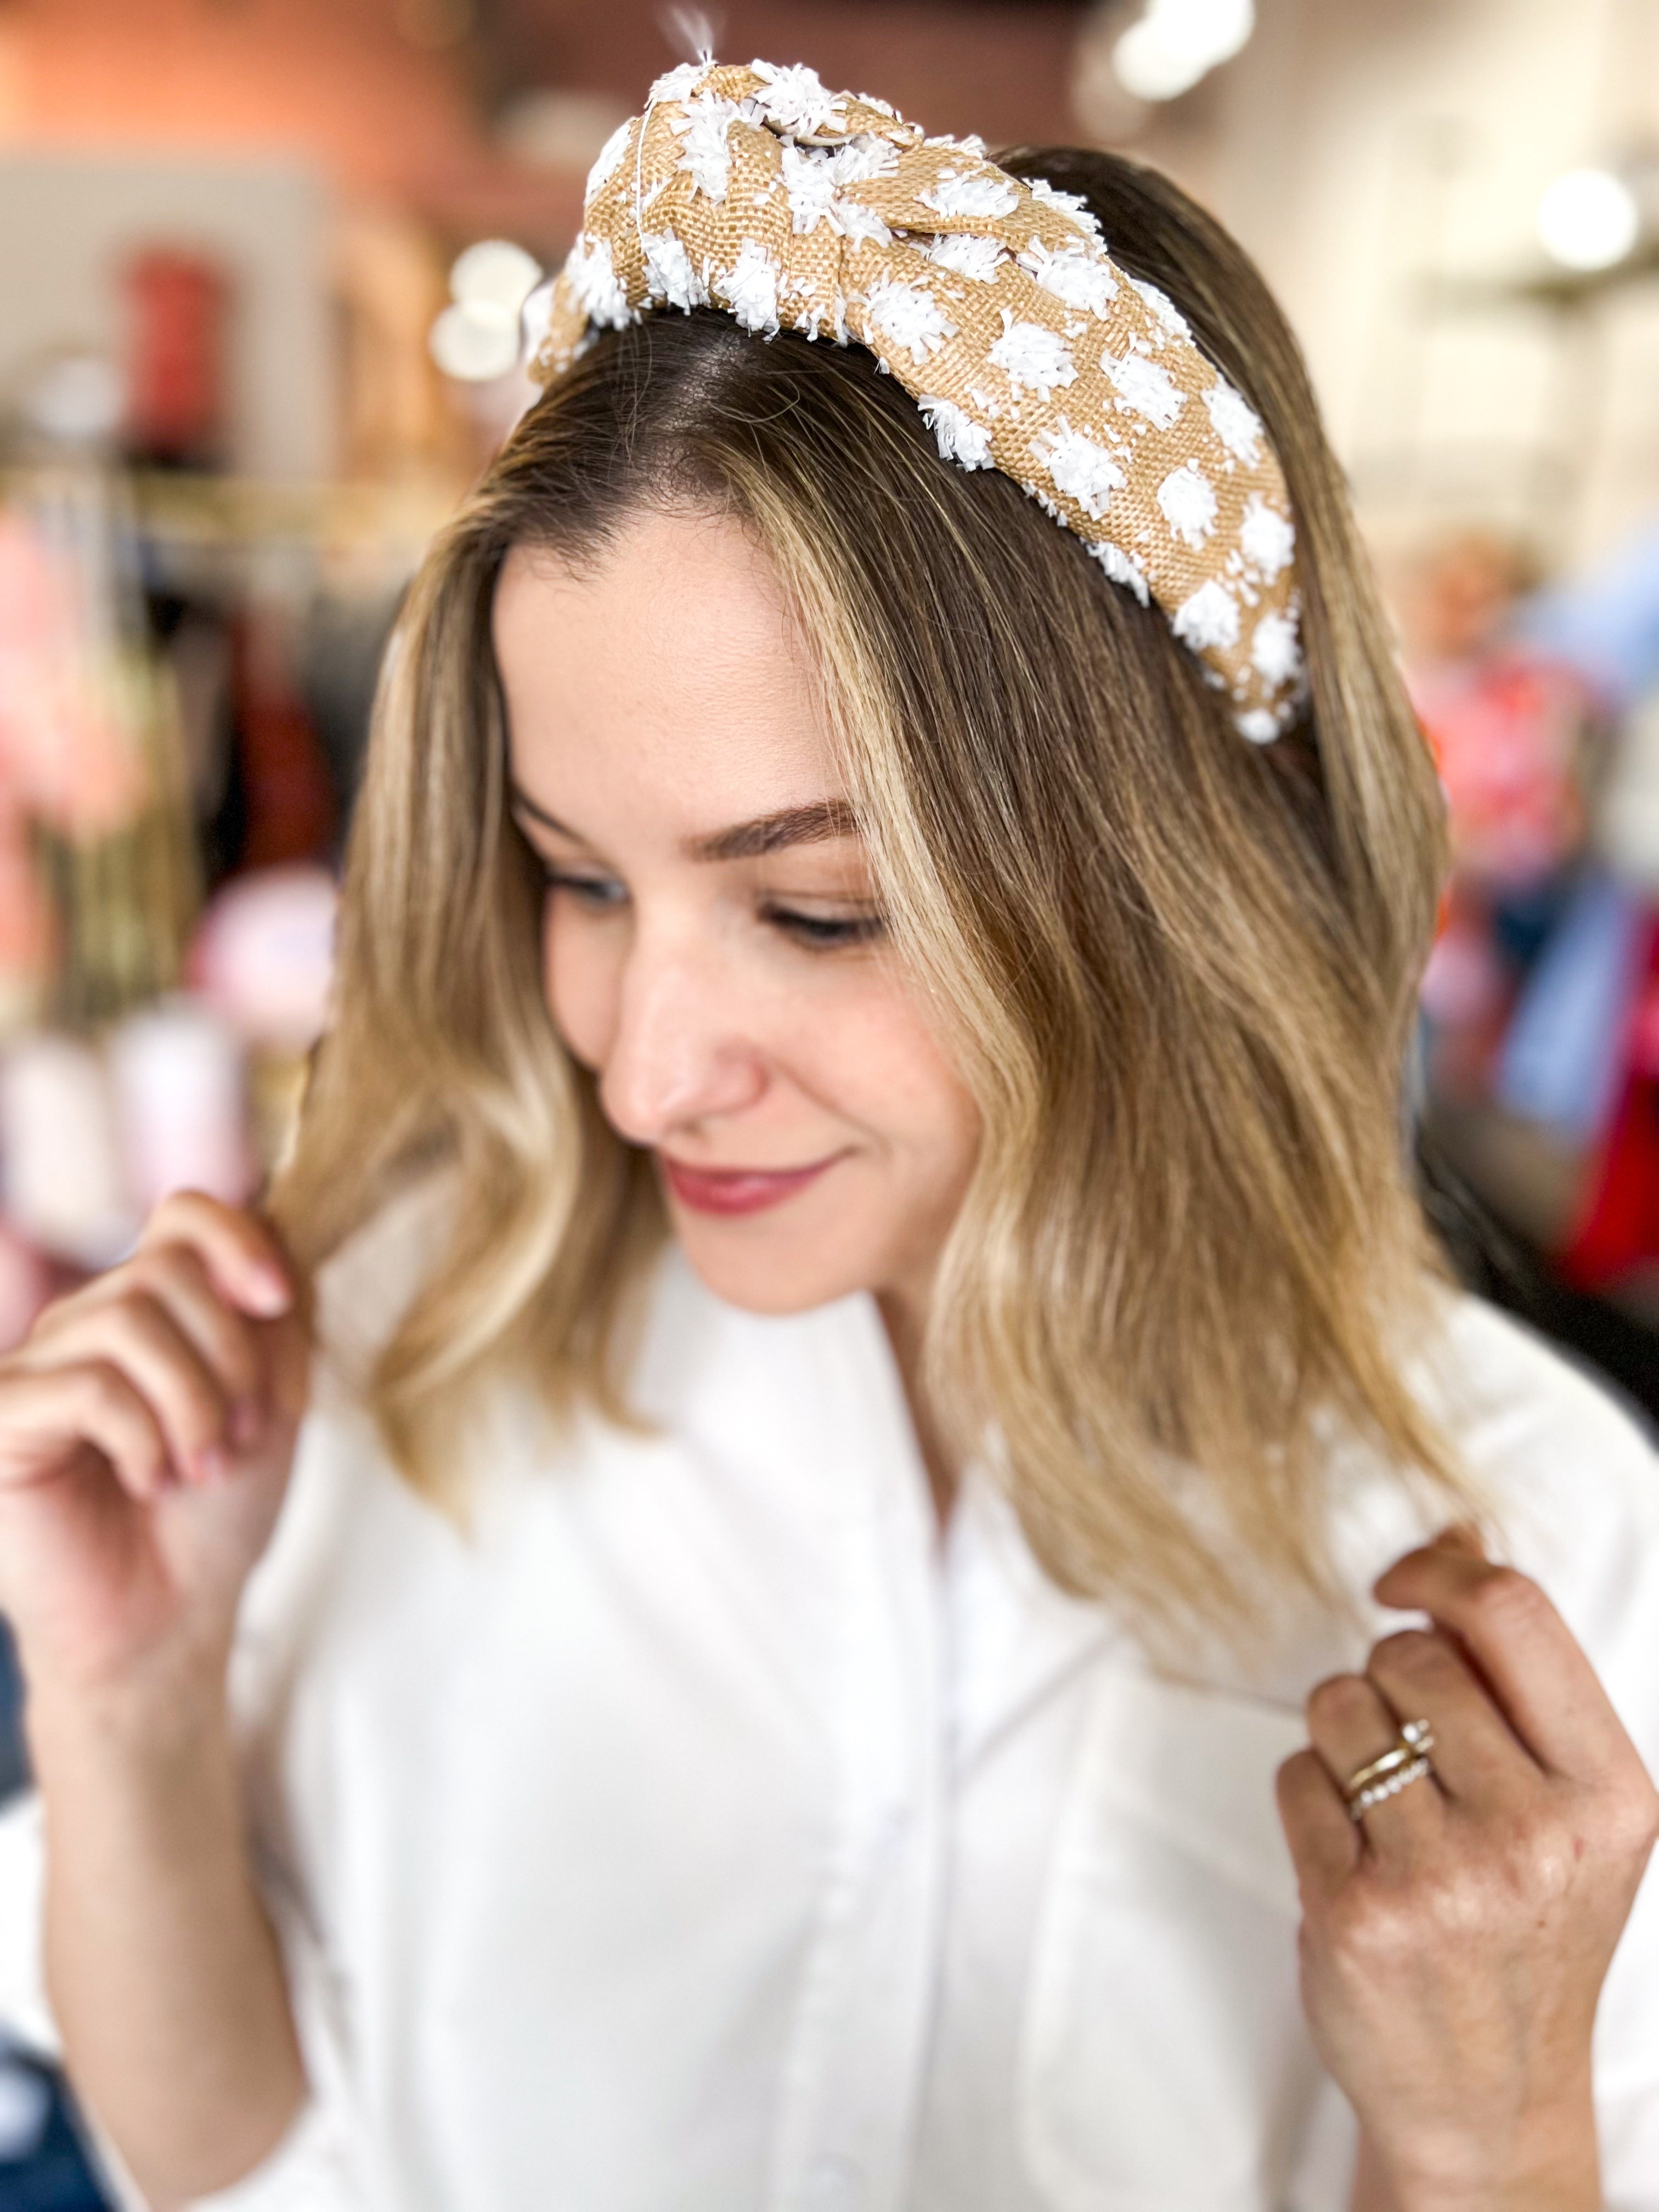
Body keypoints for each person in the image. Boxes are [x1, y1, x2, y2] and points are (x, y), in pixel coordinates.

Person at [0, 58, 1656, 2212]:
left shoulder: (1540, 1540)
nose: (640, 1067)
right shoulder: (414, 1334)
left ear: (1168, 881)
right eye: (575, 878)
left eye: (813, 911)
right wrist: (129, 1699)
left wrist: (1488, 2137)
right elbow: (245, 2167)